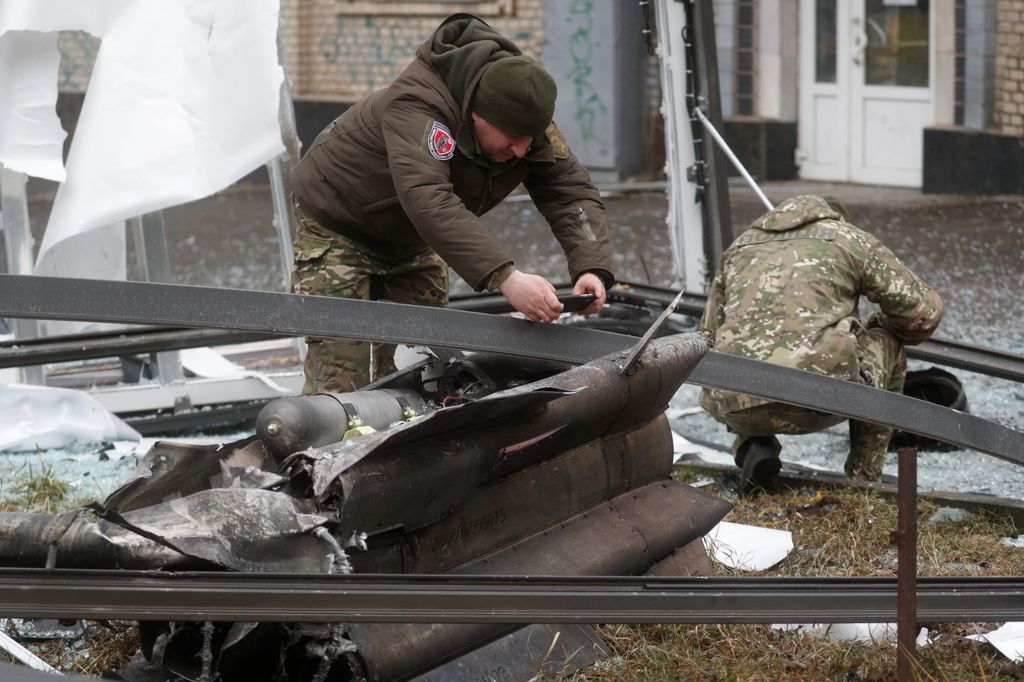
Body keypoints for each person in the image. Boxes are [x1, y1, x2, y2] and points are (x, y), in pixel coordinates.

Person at [289, 13, 615, 394]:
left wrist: (592, 268)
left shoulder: (524, 121)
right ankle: (331, 449)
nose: (522, 150)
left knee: (425, 371)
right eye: (511, 138)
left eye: (529, 139)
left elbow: (569, 192)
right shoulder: (418, 106)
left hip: (413, 237)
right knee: (343, 383)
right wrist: (506, 278)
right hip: (339, 226)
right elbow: (428, 197)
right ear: (476, 114)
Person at [699, 194, 944, 493]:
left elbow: (706, 336)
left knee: (735, 352)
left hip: (738, 405)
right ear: (832, 217)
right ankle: (863, 478)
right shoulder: (847, 239)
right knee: (889, 339)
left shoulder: (739, 247)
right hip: (824, 400)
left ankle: (752, 444)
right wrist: (877, 329)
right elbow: (923, 314)